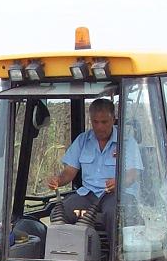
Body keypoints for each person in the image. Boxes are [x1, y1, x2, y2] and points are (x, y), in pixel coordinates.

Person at [44, 97, 139, 248]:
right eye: (95, 122)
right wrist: (58, 180)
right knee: (60, 212)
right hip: (88, 194)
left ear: (113, 119)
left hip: (116, 194)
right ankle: (66, 258)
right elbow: (69, 172)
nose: (99, 127)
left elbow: (133, 175)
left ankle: (116, 258)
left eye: (104, 122)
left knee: (114, 213)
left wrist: (118, 181)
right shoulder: (83, 140)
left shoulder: (126, 142)